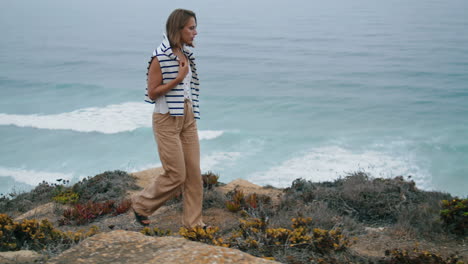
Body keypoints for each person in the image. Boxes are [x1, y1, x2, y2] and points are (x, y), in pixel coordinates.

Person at [132, 8, 204, 228]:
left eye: (195, 28)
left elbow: (188, 89)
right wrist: (179, 78)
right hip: (166, 119)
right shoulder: (160, 56)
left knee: (194, 175)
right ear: (178, 29)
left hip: (187, 116)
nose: (195, 32)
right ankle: (141, 205)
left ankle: (194, 225)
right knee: (176, 174)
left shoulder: (185, 53)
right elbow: (152, 93)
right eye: (191, 28)